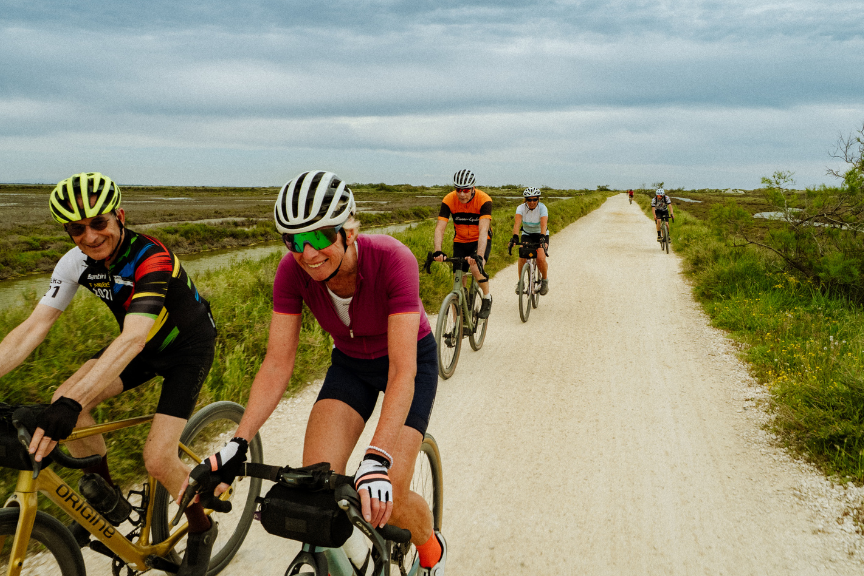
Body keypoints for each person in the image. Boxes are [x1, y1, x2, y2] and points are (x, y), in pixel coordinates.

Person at [182, 171, 446, 575]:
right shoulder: (291, 273)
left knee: (386, 489)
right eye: (294, 241)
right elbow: (277, 361)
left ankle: (429, 544)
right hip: (351, 367)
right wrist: (238, 443)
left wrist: (376, 458)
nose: (307, 253)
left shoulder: (394, 260)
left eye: (320, 236)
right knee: (316, 490)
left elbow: (402, 371)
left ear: (349, 230)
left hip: (408, 364)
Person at [0, 172, 218, 575]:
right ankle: (108, 500)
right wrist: (70, 400)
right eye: (76, 228)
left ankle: (203, 528)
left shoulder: (152, 256)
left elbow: (134, 337)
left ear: (120, 215)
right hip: (138, 345)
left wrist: (74, 400)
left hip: (185, 349)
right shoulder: (75, 263)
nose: (90, 236)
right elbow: (33, 328)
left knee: (156, 459)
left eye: (99, 223)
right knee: (64, 398)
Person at [432, 169, 493, 319]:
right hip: (460, 241)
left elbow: (484, 231)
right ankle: (457, 324)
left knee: (475, 268)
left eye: (466, 190)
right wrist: (437, 250)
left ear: (473, 188)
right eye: (458, 189)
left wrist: (478, 255)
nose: (462, 194)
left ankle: (487, 297)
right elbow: (440, 228)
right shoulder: (449, 200)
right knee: (458, 281)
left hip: (479, 240)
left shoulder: (484, 200)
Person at [508, 187, 549, 295]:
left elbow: (544, 225)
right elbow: (517, 224)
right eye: (529, 200)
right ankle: (520, 282)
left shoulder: (542, 208)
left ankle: (544, 280)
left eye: (534, 199)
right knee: (522, 256)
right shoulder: (521, 208)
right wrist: (515, 237)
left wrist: (542, 237)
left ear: (538, 199)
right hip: (527, 234)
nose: (532, 202)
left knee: (540, 258)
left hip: (541, 234)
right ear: (525, 200)